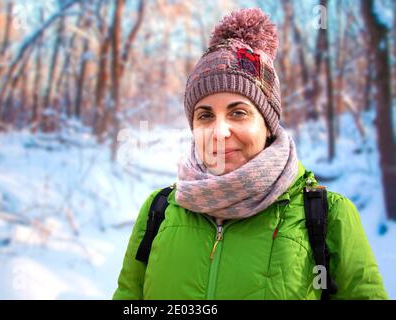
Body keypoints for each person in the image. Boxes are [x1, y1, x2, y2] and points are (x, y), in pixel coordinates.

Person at [113, 8, 388, 300]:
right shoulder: (158, 211)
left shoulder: (327, 215)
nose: (219, 132)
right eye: (205, 116)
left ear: (268, 124)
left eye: (239, 112)